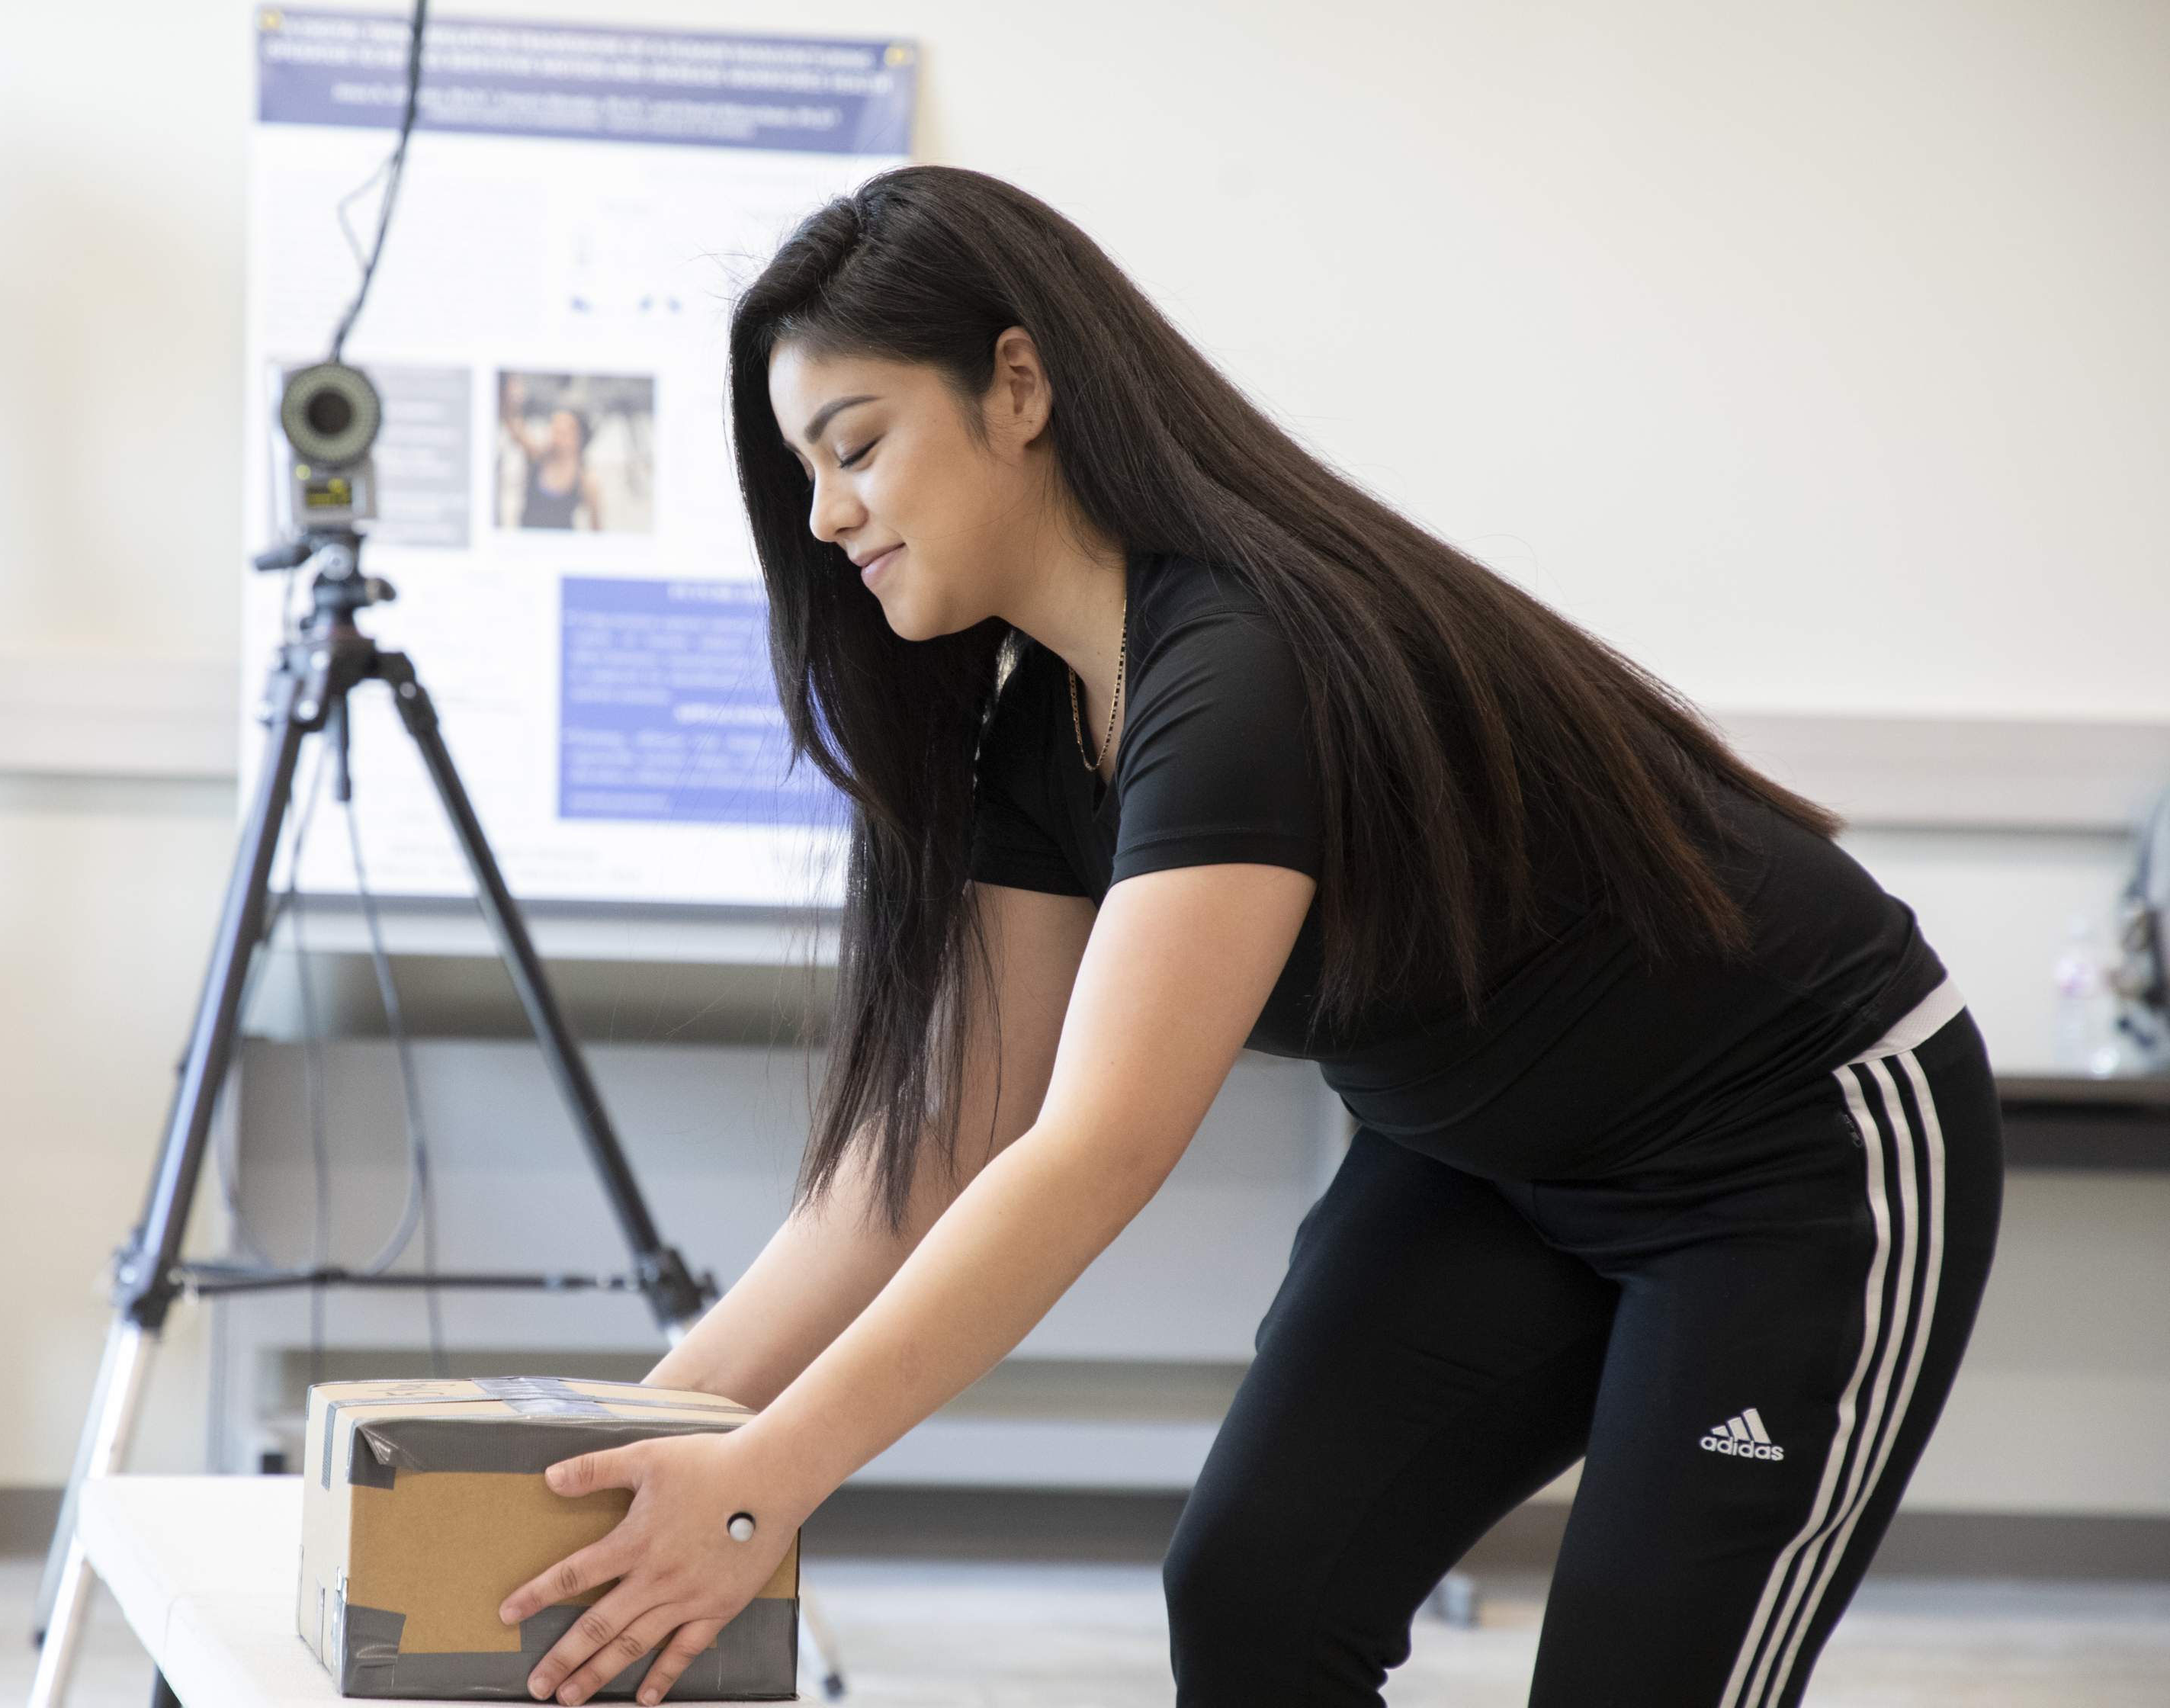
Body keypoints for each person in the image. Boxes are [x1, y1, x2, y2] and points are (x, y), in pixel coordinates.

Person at [493, 164, 2003, 1708]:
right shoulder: (1038, 732)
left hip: (1787, 1154)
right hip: (1490, 1158)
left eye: (858, 446)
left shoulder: (1242, 666)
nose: (826, 516)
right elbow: (944, 1143)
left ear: (1017, 385)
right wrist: (628, 1440)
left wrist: (767, 1483)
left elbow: (1096, 1150)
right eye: (808, 471)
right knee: (1258, 1592)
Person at [501, 372, 601, 529]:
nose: (555, 436)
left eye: (563, 432)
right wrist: (510, 392)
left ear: (578, 438)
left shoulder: (585, 480)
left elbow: (597, 530)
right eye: (554, 429)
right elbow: (513, 425)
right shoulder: (538, 455)